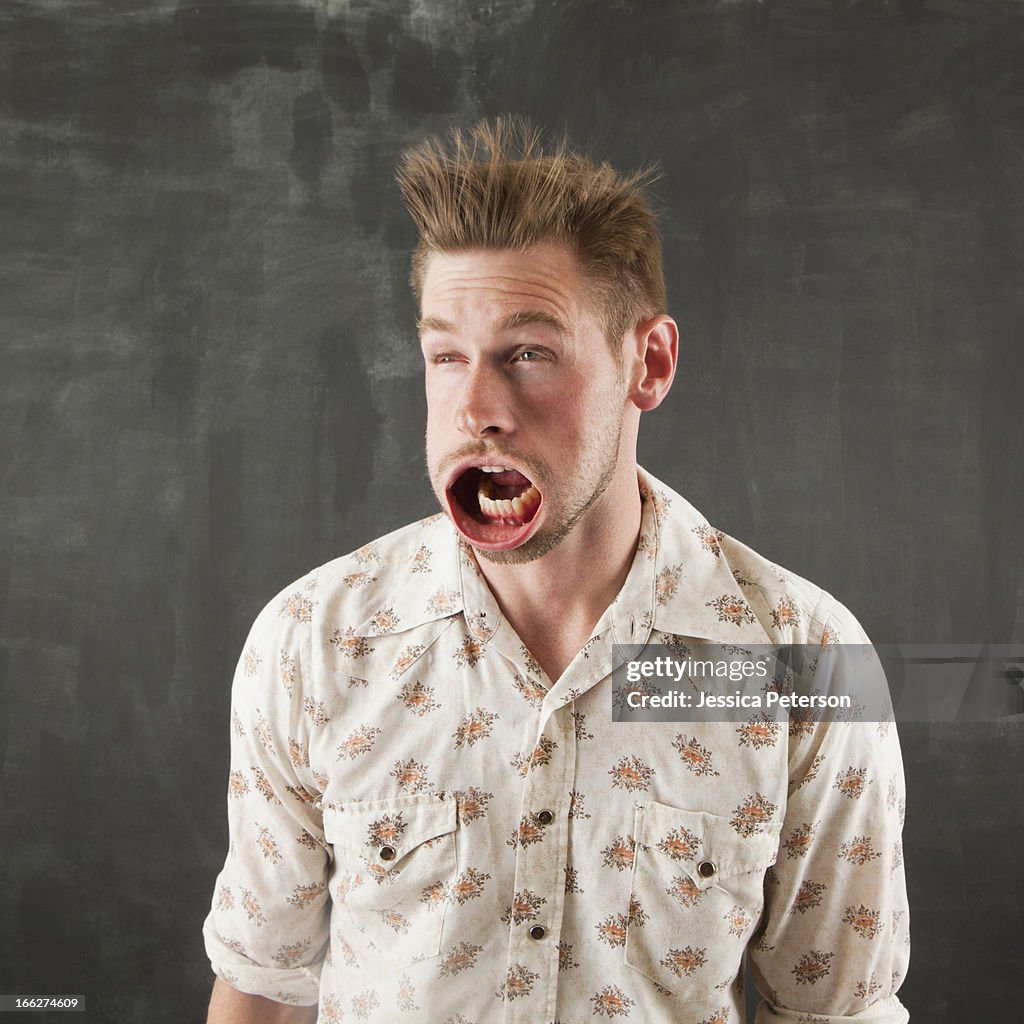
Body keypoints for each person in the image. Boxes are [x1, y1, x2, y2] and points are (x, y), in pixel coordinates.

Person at [203, 118, 910, 1024]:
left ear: (646, 364)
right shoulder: (313, 642)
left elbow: (836, 1011)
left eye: (529, 354)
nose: (477, 410)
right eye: (446, 355)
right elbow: (263, 983)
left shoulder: (805, 662)